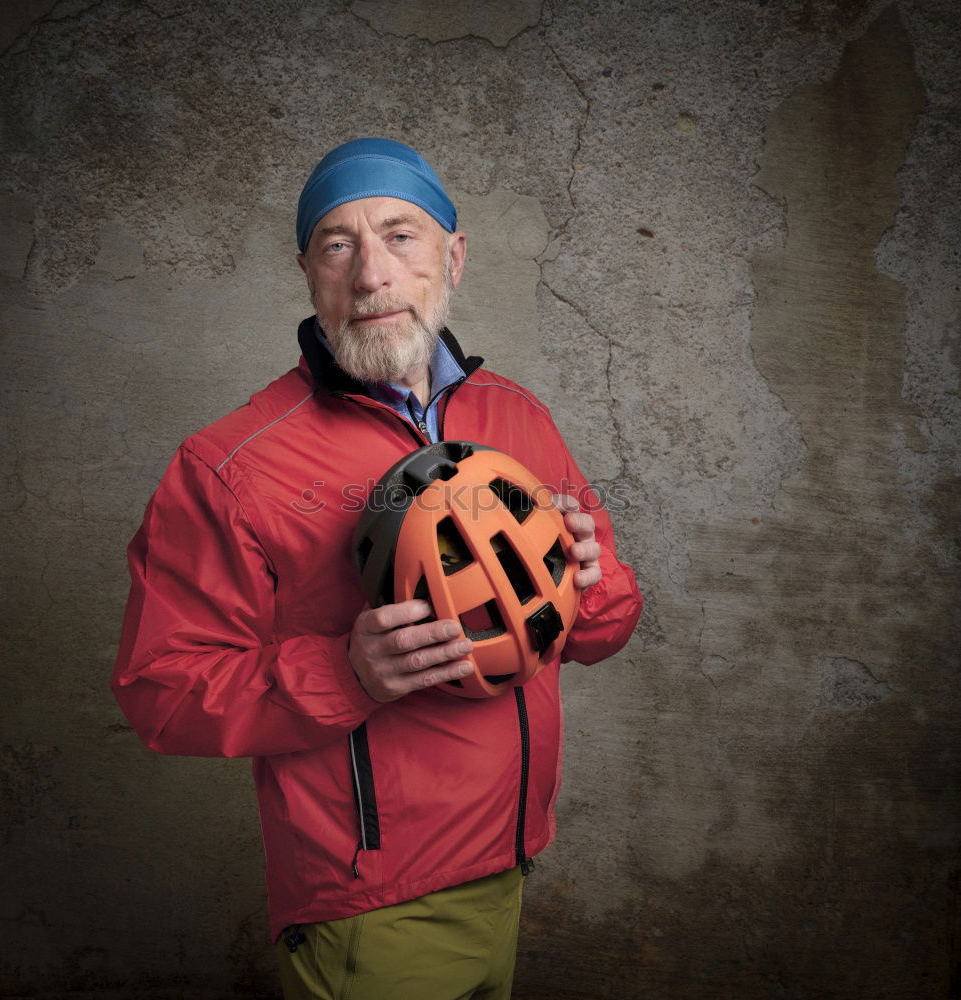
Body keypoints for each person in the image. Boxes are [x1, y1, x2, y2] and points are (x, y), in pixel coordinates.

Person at [112, 137, 643, 1000]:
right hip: (369, 908)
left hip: (510, 866)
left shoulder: (518, 419)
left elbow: (595, 634)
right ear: (309, 273)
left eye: (401, 236)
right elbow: (159, 688)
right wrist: (343, 672)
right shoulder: (229, 466)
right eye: (337, 244)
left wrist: (593, 583)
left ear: (453, 257)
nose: (370, 276)